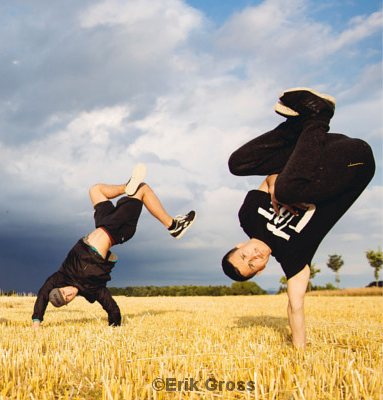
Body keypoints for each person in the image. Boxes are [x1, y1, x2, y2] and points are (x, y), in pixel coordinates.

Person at [221, 88, 375, 348]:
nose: (254, 257)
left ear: (240, 245)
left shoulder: (248, 217)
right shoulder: (294, 259)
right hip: (354, 164)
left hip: (322, 149)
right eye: (252, 264)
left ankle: (299, 123)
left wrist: (276, 187)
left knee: (238, 164)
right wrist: (300, 354)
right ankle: (318, 116)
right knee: (286, 189)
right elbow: (295, 307)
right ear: (260, 271)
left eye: (244, 255)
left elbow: (270, 177)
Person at [31, 163, 195, 328]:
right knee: (143, 189)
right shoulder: (92, 289)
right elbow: (112, 309)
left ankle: (127, 187)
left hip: (104, 223)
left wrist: (36, 321)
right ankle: (173, 226)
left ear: (60, 287)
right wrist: (114, 329)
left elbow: (43, 293)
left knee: (95, 190)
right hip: (116, 229)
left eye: (64, 292)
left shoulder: (62, 275)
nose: (69, 294)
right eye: (68, 298)